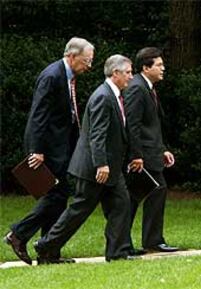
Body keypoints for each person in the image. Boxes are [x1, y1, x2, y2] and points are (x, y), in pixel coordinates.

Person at [33, 54, 141, 264]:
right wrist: (101, 163)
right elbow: (97, 135)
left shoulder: (115, 95)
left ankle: (117, 252)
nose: (131, 76)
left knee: (121, 205)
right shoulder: (103, 96)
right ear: (115, 73)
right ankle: (46, 245)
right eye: (128, 72)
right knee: (79, 211)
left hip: (110, 166)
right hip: (95, 167)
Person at [4, 37, 94, 265]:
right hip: (48, 148)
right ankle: (19, 234)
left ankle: (49, 252)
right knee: (56, 195)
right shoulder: (52, 75)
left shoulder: (67, 76)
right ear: (72, 56)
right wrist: (36, 149)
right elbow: (38, 114)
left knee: (58, 196)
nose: (89, 66)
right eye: (86, 61)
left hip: (60, 146)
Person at [123, 47, 178, 254]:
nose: (163, 69)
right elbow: (133, 125)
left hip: (150, 152)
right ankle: (150, 240)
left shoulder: (147, 88)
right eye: (159, 65)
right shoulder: (138, 88)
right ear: (146, 67)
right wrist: (136, 155)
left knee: (135, 197)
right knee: (153, 191)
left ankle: (127, 242)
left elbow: (151, 125)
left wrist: (162, 149)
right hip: (143, 156)